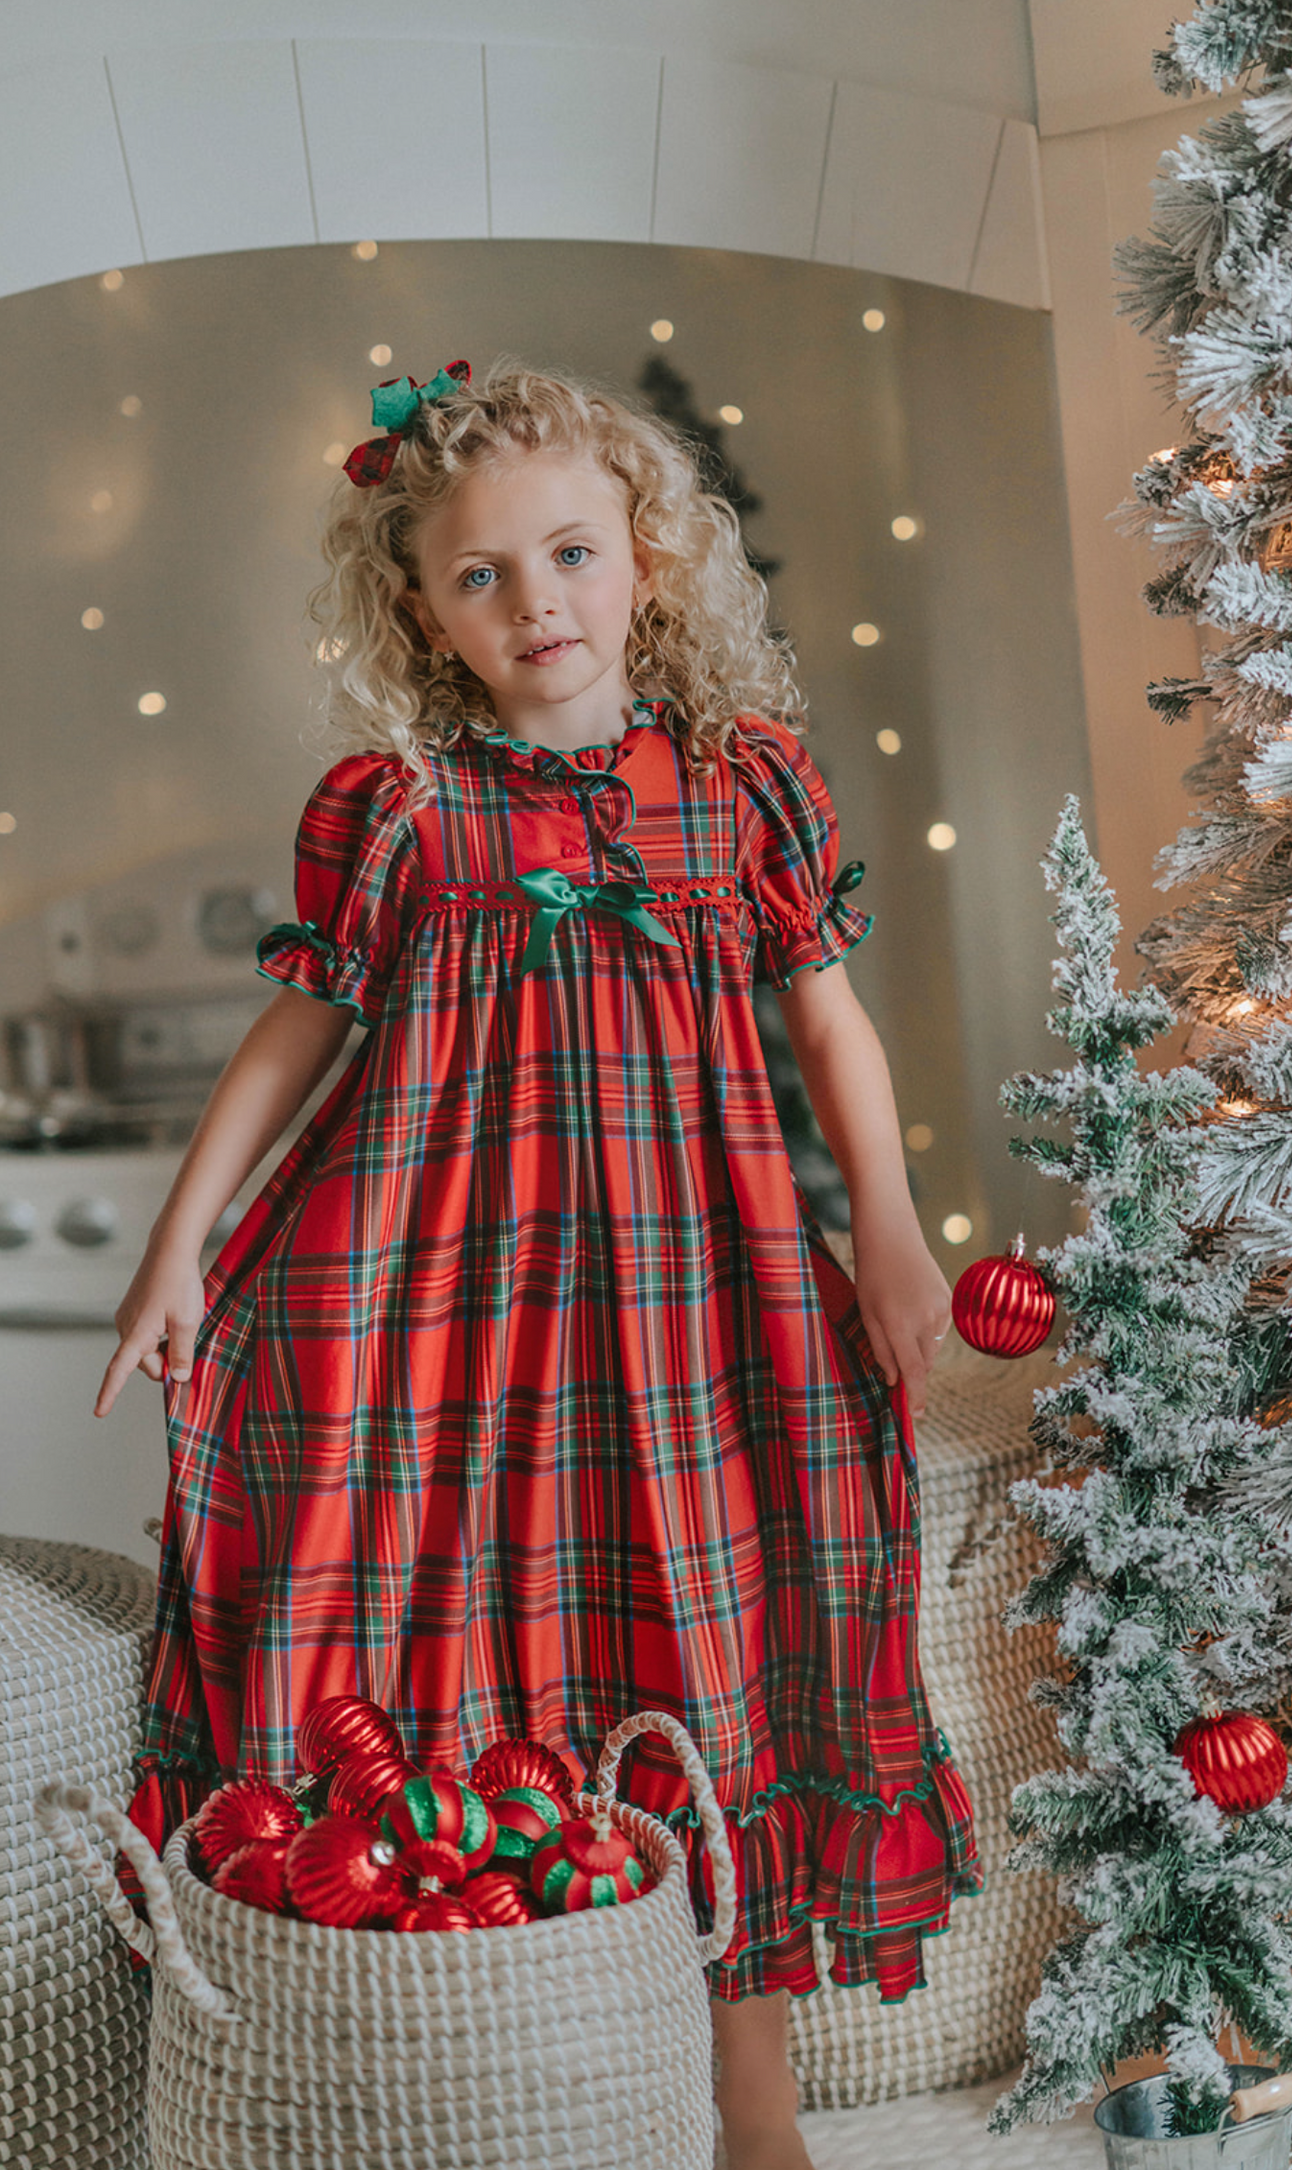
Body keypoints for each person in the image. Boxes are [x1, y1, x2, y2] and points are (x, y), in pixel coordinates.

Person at [95, 358, 980, 2170]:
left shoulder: (744, 786)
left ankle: (753, 2099)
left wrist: (889, 1230)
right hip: (432, 1300)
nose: (536, 604)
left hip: (693, 1288)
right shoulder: (399, 804)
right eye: (481, 575)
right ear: (420, 605)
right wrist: (177, 1252)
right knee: (451, 1651)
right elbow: (294, 1039)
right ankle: (477, 2056)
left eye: (569, 554)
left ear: (645, 553)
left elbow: (832, 1027)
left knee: (722, 1642)